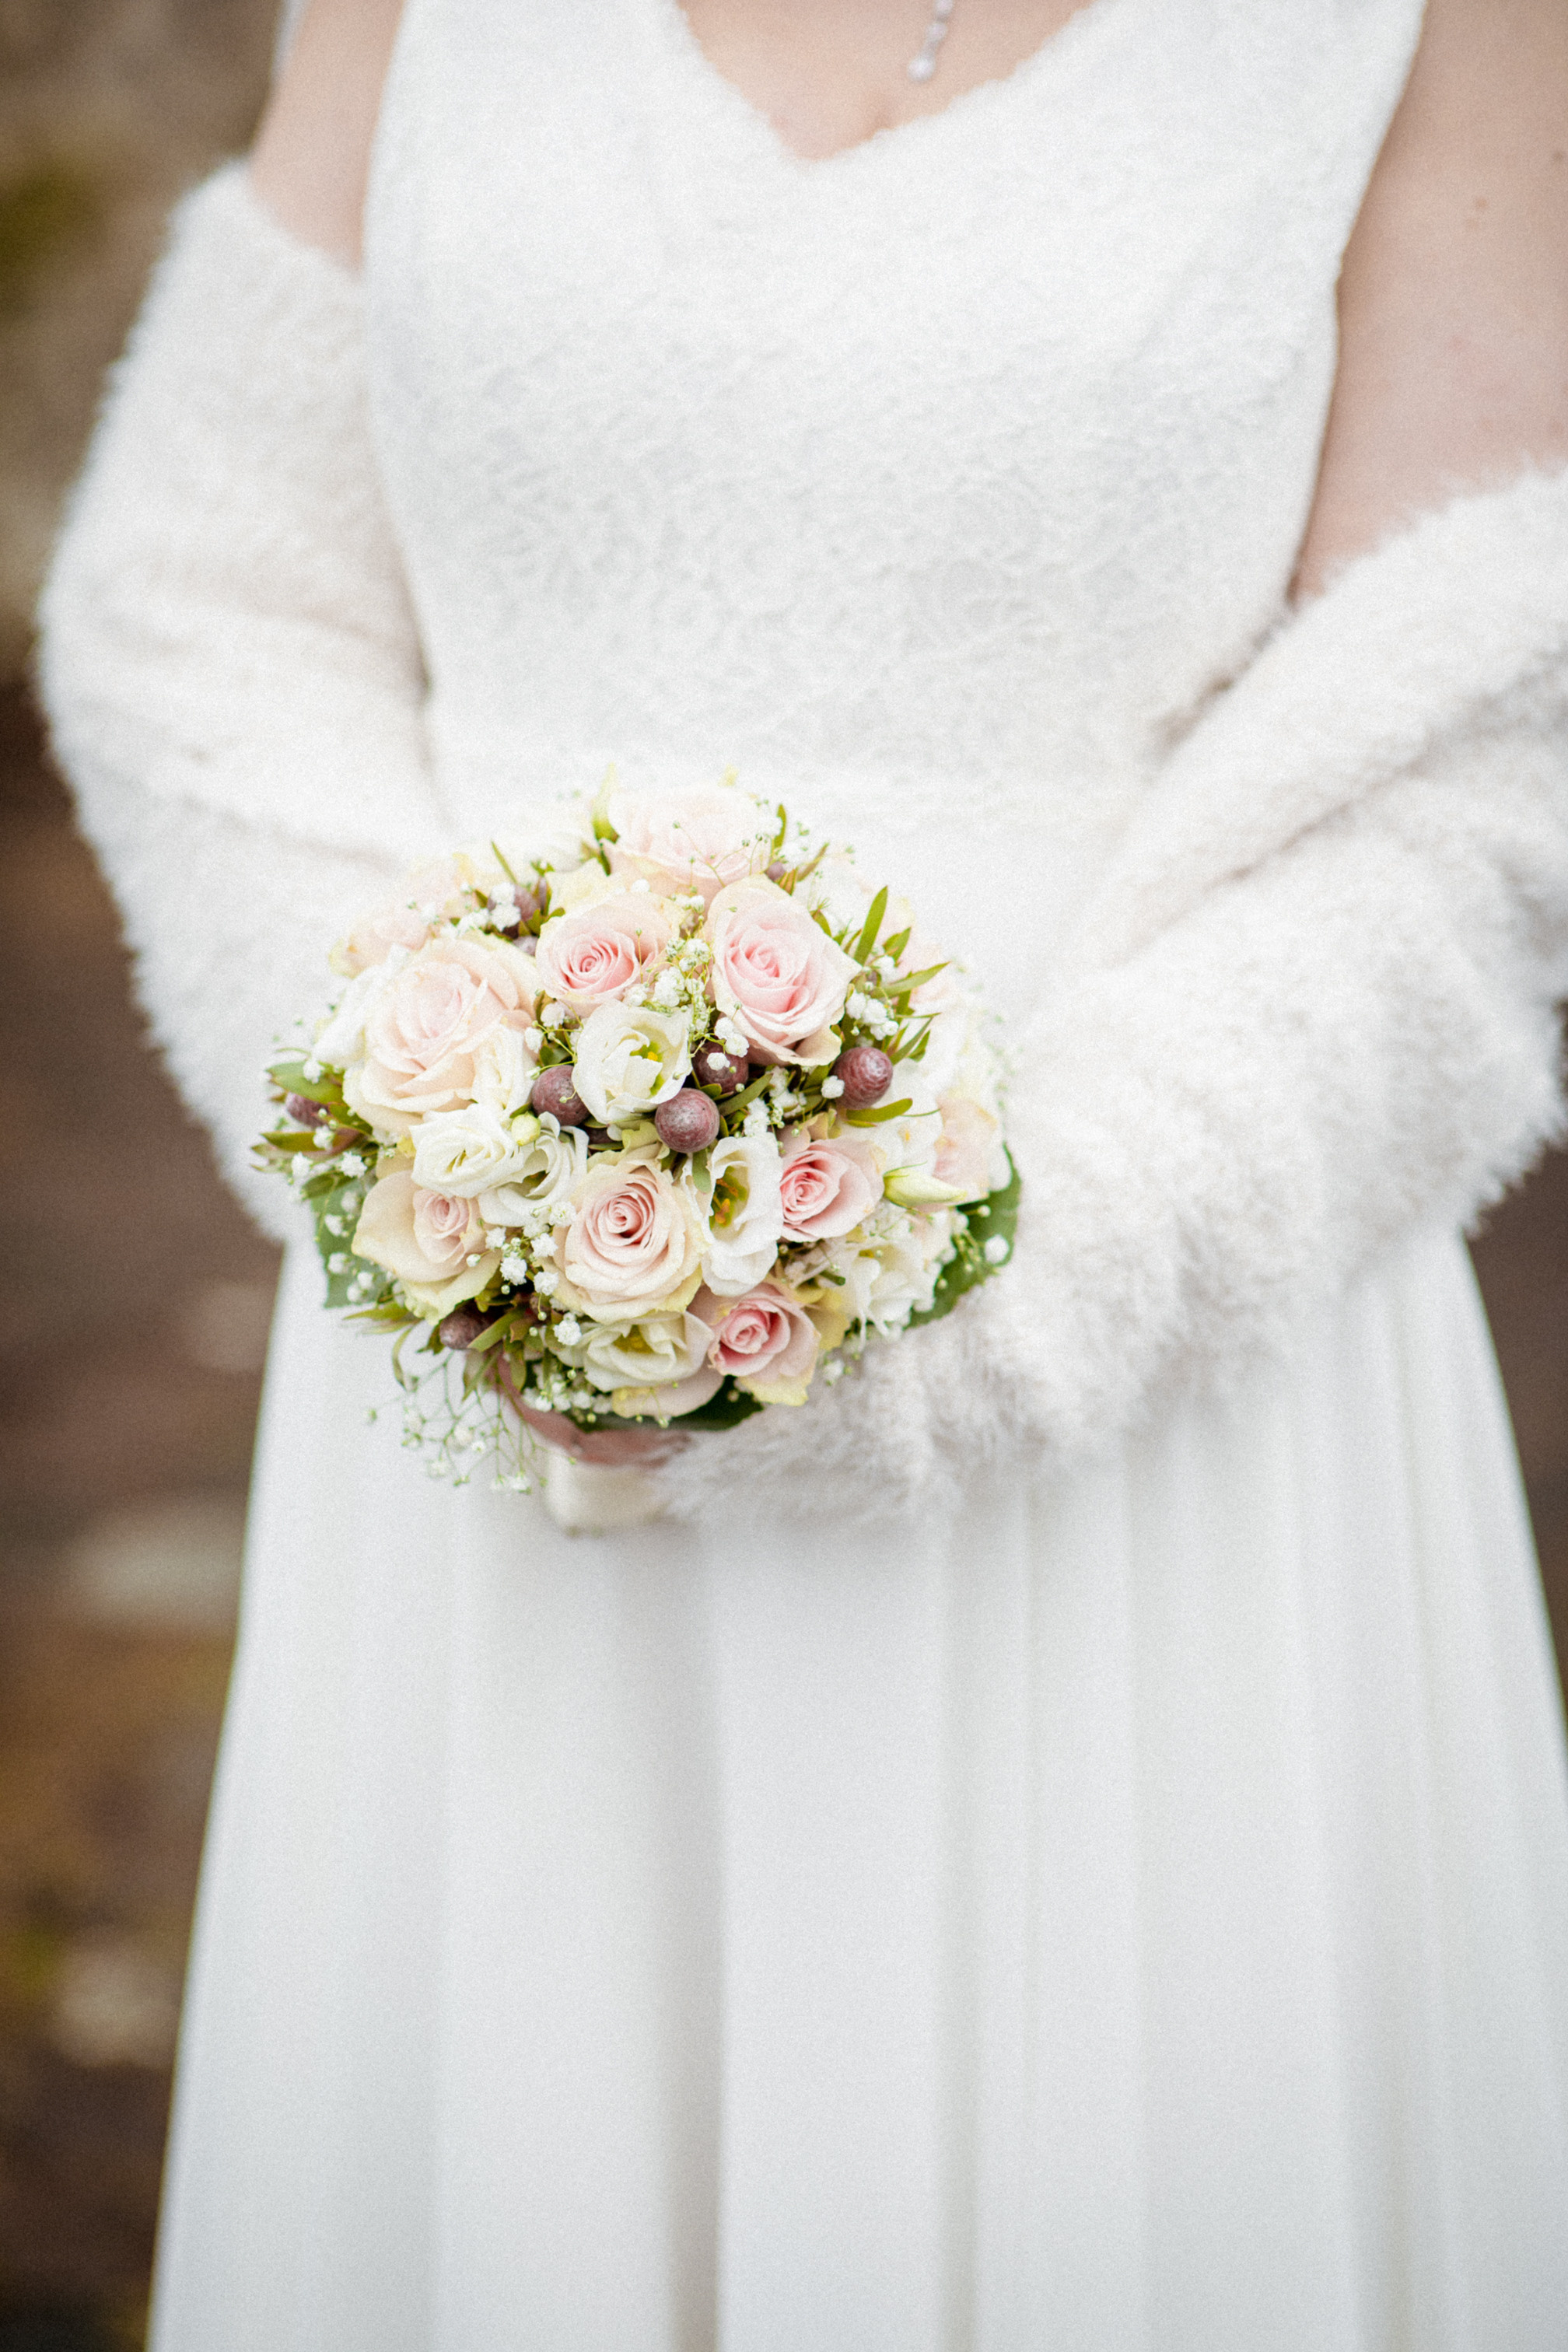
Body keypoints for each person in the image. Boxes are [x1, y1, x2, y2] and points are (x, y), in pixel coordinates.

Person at [38, 0, 1568, 2341]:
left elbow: (1458, 760)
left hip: (1144, 1428)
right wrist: (456, 1166)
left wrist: (954, 1318)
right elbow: (208, 592)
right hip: (497, 1450)